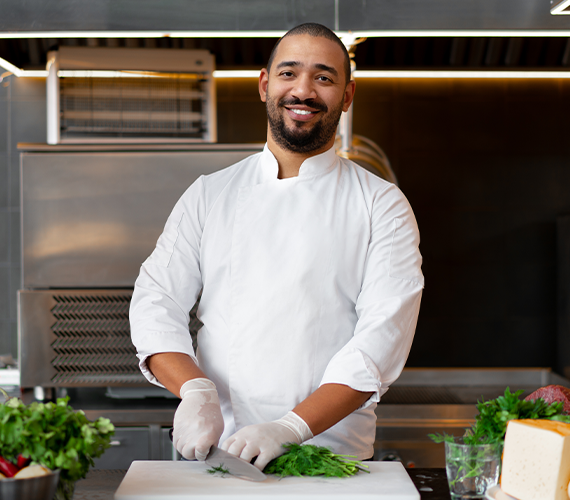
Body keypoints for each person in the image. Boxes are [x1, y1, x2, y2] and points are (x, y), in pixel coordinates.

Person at [129, 22, 423, 471]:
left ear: (346, 96)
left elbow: (380, 341)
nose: (303, 90)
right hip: (219, 449)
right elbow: (156, 302)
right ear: (265, 85)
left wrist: (291, 427)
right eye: (288, 73)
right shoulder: (210, 194)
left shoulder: (381, 203)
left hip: (331, 458)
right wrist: (196, 391)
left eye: (323, 77)